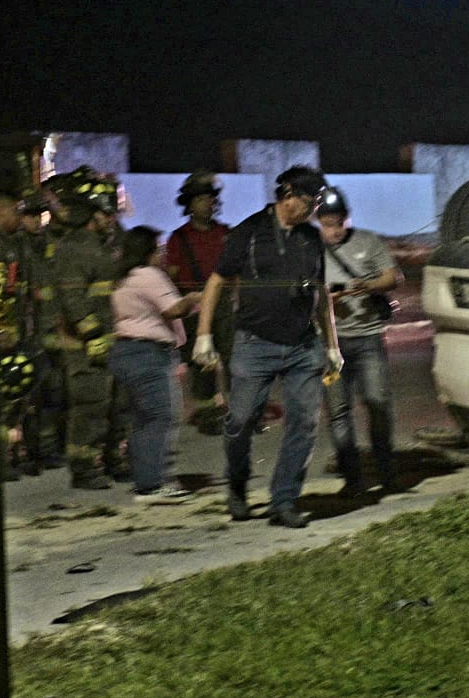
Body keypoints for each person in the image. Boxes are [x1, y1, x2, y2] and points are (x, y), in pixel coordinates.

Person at [193, 165, 343, 528]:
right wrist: (203, 335)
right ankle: (238, 485)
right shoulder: (249, 232)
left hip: (302, 347)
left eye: (318, 203)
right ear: (288, 194)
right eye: (310, 202)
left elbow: (321, 293)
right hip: (253, 344)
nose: (313, 211)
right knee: (240, 421)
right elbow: (216, 282)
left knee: (304, 423)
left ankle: (284, 500)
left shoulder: (310, 238)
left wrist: (332, 345)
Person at [315, 186, 402, 495]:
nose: (335, 231)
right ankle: (353, 480)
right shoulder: (311, 249)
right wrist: (327, 297)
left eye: (339, 223)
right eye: (327, 224)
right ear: (318, 222)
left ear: (347, 219)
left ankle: (387, 473)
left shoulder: (368, 241)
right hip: (330, 345)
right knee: (339, 412)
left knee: (378, 404)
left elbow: (393, 277)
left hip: (367, 339)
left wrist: (366, 285)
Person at [110, 226, 202, 501]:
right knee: (160, 417)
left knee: (142, 419)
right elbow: (173, 309)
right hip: (148, 353)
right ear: (147, 251)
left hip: (125, 351)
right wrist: (195, 298)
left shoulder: (122, 278)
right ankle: (153, 484)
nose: (162, 253)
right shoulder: (149, 275)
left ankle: (146, 479)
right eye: (158, 247)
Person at [52, 169, 128, 490]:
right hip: (85, 345)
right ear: (89, 214)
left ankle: (113, 457)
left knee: (117, 403)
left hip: (112, 341)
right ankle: (83, 466)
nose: (111, 219)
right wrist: (93, 334)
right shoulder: (73, 249)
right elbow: (72, 297)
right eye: (105, 213)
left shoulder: (101, 246)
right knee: (91, 405)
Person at [164, 170, 233, 435]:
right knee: (202, 362)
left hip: (225, 303)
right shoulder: (178, 239)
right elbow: (171, 277)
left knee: (234, 357)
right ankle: (207, 415)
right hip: (194, 304)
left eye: (211, 198)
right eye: (202, 199)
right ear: (189, 204)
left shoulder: (226, 233)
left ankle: (243, 410)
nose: (208, 203)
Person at [18, 184, 68, 470]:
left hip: (54, 329)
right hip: (31, 332)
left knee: (55, 392)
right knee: (32, 395)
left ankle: (50, 448)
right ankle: (34, 449)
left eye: (41, 214)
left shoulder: (52, 243)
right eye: (31, 214)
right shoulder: (18, 247)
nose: (37, 220)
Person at [0, 186, 30, 481]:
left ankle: (10, 456)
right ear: (0, 212)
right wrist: (1, 330)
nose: (20, 216)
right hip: (0, 336)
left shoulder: (10, 243)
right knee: (1, 402)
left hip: (15, 332)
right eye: (15, 210)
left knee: (14, 399)